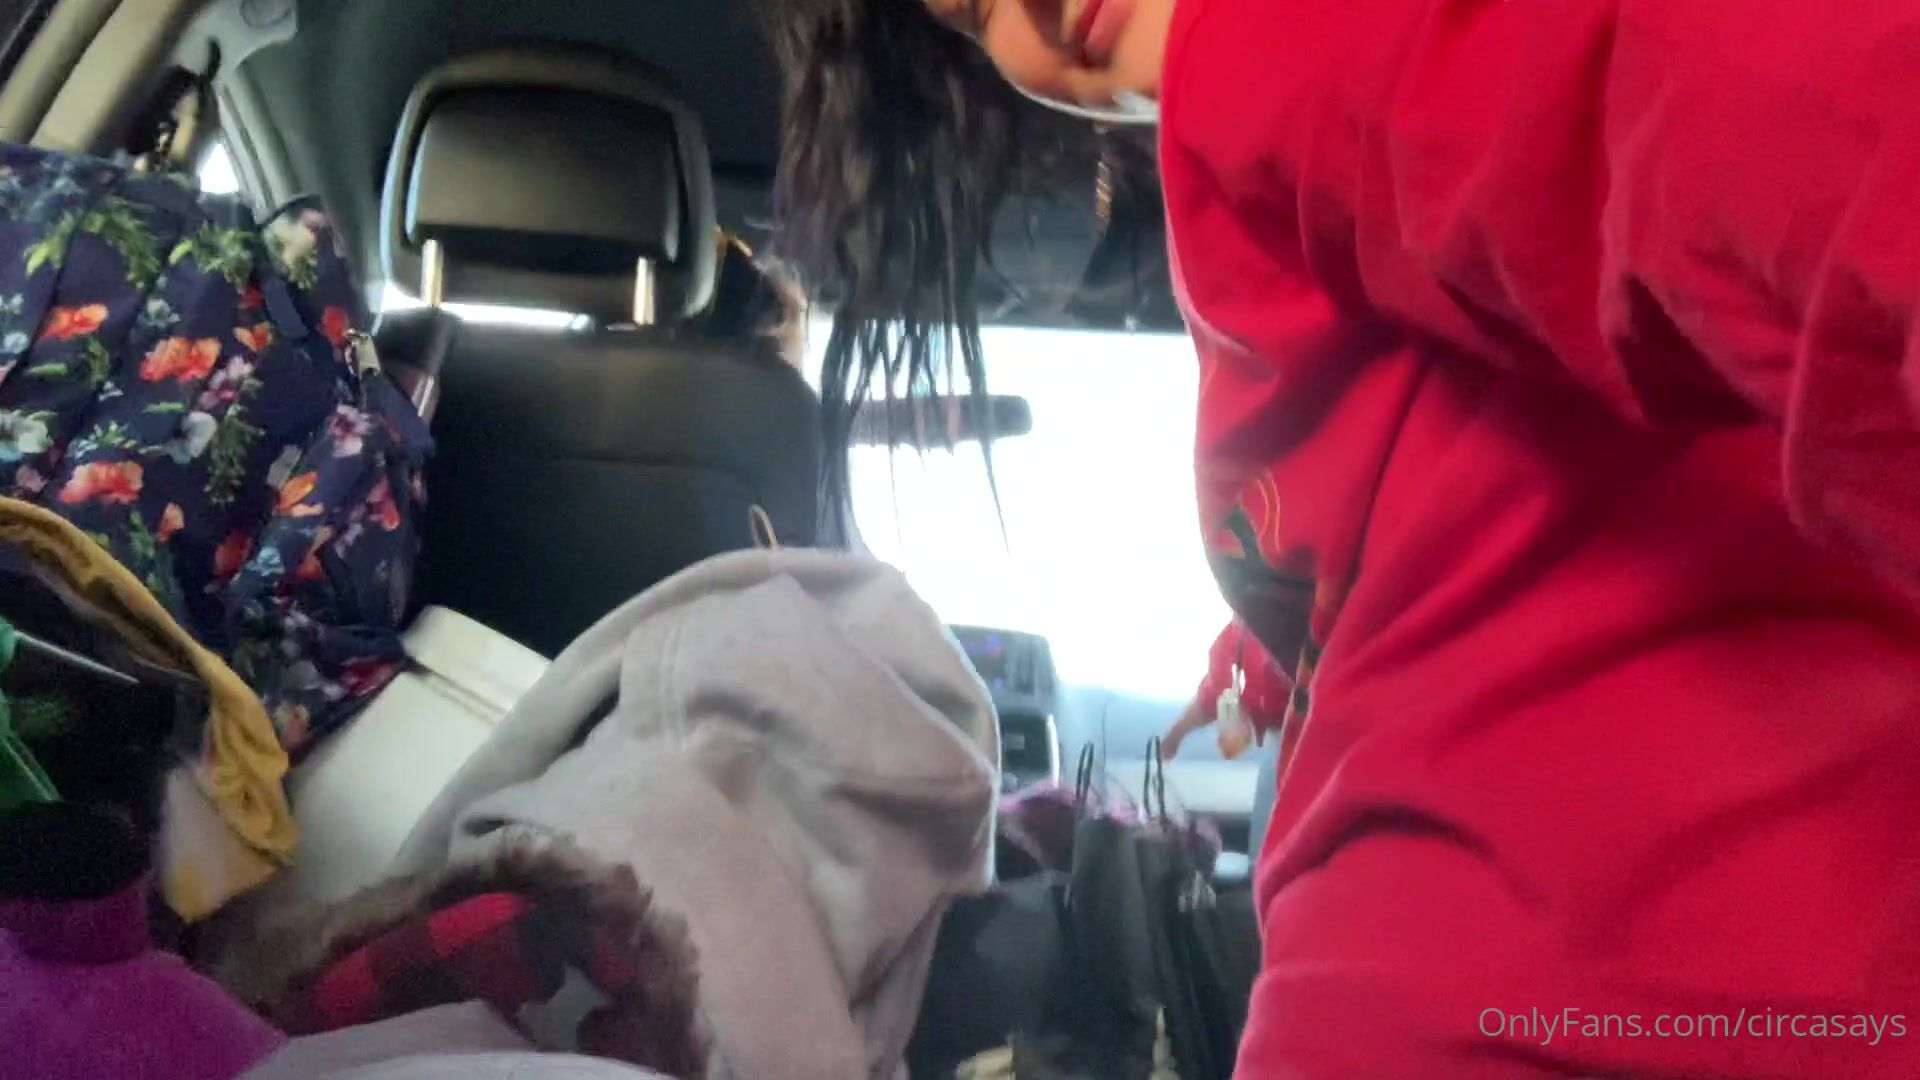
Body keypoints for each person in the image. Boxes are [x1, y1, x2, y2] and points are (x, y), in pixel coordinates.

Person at [760, 1, 1920, 1076]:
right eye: (973, 13)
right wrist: (1271, 654)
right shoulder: (1281, 103)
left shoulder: (1293, 30)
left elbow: (1799, 166)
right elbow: (1458, 481)